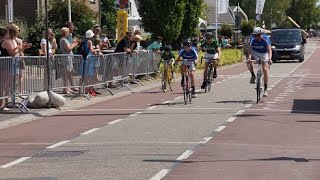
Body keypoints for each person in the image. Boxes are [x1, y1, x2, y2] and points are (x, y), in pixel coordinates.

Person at [247, 27, 272, 97]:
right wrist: (249, 58)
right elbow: (250, 50)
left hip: (264, 53)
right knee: (248, 61)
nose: (257, 37)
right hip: (255, 52)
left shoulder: (266, 39)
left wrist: (269, 59)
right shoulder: (252, 39)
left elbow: (269, 50)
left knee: (265, 69)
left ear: (262, 34)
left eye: (258, 35)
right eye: (255, 35)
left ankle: (265, 89)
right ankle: (252, 75)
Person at [59, 27, 79, 94]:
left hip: (69, 58)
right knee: (66, 73)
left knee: (69, 73)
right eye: (67, 32)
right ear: (65, 33)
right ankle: (65, 88)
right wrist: (73, 43)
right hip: (66, 58)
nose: (69, 33)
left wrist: (75, 43)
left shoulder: (66, 39)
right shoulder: (63, 40)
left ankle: (69, 87)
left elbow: (70, 47)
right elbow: (69, 48)